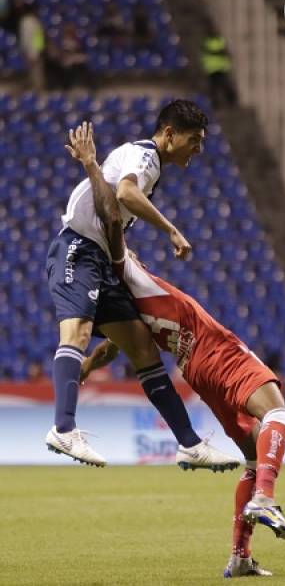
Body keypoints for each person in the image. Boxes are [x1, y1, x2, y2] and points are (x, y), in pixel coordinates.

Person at [67, 121, 285, 578]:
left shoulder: (124, 306)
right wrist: (94, 166)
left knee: (254, 455)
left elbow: (118, 350)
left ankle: (240, 556)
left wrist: (86, 368)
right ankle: (267, 500)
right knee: (280, 416)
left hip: (194, 367)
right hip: (215, 348)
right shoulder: (117, 261)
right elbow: (118, 208)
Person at [45, 100, 239, 473]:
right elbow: (125, 195)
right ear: (169, 134)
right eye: (194, 140)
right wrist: (171, 230)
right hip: (77, 249)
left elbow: (114, 218)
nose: (198, 150)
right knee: (78, 331)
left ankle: (190, 444)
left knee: (141, 345)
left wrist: (123, 261)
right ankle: (63, 429)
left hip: (100, 256)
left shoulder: (147, 163)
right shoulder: (145, 156)